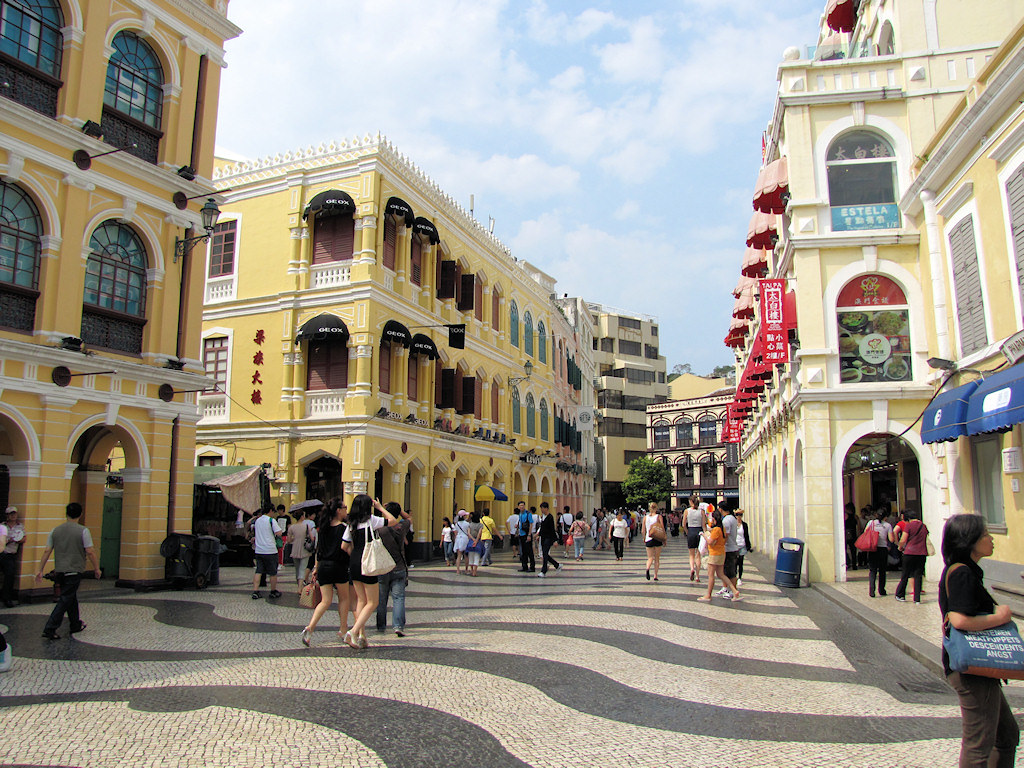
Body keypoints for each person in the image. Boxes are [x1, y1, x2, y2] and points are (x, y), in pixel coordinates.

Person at [939, 513, 1019, 767]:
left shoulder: (967, 571)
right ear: (969, 540)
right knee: (978, 747)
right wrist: (1002, 615)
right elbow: (960, 620)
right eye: (985, 534)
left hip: (979, 667)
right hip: (972, 670)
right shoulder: (962, 573)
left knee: (1006, 734)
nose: (991, 538)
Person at [35, 502, 101, 639]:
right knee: (65, 599)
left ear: (66, 514)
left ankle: (75, 624)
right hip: (74, 569)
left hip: (60, 570)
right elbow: (90, 551)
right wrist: (96, 568)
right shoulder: (83, 531)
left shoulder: (55, 530)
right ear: (80, 514)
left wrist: (40, 569)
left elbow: (47, 550)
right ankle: (50, 627)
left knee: (70, 597)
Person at [341, 495, 397, 649]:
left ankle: (362, 636)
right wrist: (380, 508)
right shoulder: (371, 520)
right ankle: (353, 632)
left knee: (361, 600)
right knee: (373, 602)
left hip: (354, 562)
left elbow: (344, 547)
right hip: (368, 563)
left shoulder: (350, 524)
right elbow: (393, 521)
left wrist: (355, 555)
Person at [301, 498, 354, 647]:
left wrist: (316, 568)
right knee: (344, 598)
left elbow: (319, 550)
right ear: (338, 510)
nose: (346, 510)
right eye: (344, 507)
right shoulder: (344, 528)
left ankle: (310, 628)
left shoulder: (323, 527)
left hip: (323, 565)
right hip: (338, 565)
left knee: (325, 601)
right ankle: (343, 629)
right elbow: (347, 547)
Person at [376, 501, 411, 636]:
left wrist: (382, 509)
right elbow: (408, 518)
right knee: (399, 598)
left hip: (383, 566)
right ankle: (398, 626)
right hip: (399, 566)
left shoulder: (380, 527)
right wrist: (399, 510)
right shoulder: (401, 526)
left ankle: (381, 625)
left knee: (381, 598)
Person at [698, 509, 741, 602]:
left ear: (714, 519)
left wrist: (704, 535)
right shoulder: (722, 528)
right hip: (721, 553)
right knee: (721, 574)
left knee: (711, 575)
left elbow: (710, 541)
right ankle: (734, 590)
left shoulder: (716, 529)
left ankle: (708, 595)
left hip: (714, 554)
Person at [894, 509, 929, 603]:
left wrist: (900, 547)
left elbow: (903, 539)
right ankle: (917, 598)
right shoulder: (923, 526)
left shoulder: (909, 526)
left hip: (909, 553)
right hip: (921, 553)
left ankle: (900, 595)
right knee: (918, 575)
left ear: (908, 518)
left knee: (905, 574)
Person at [250, 507, 283, 600]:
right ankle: (273, 591)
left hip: (259, 550)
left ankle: (255, 591)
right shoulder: (271, 520)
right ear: (270, 511)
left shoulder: (257, 521)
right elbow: (279, 532)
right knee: (273, 572)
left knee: (259, 570)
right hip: (270, 550)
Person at [865, 507, 894, 598]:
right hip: (883, 549)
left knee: (872, 570)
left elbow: (866, 533)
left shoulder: (871, 523)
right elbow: (891, 539)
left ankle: (872, 591)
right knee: (882, 570)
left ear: (876, 515)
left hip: (873, 548)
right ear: (886, 517)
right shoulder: (888, 525)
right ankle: (882, 590)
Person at [288, 506, 318, 592]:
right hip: (304, 549)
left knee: (297, 569)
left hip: (294, 549)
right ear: (302, 516)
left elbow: (289, 540)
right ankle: (300, 588)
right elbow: (312, 538)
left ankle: (299, 584)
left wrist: (295, 538)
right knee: (302, 568)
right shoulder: (306, 526)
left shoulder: (292, 527)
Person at [1, 506, 25, 607]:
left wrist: (18, 540)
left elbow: (24, 538)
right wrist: (7, 540)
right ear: (7, 516)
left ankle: (7, 598)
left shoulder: (20, 526)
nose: (13, 516)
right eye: (11, 514)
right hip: (2, 552)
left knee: (10, 575)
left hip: (11, 554)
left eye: (14, 514)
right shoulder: (2, 526)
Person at [719, 505, 739, 599]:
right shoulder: (733, 518)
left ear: (721, 509)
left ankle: (733, 591)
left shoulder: (726, 520)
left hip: (729, 548)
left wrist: (722, 545)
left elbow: (726, 535)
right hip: (733, 547)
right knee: (726, 571)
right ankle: (726, 588)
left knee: (730, 572)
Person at [642, 502, 665, 581]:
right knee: (657, 558)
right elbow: (662, 528)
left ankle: (648, 568)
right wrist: (664, 539)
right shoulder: (659, 517)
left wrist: (644, 538)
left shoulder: (645, 517)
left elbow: (643, 530)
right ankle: (655, 575)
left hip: (649, 538)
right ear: (656, 508)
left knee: (650, 558)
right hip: (657, 538)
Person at [537, 502, 560, 577]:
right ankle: (557, 565)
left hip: (548, 538)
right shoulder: (542, 517)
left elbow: (552, 530)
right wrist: (538, 535)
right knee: (545, 554)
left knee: (545, 554)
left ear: (546, 508)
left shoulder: (550, 517)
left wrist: (555, 540)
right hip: (543, 538)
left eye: (542, 508)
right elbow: (542, 528)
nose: (541, 510)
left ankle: (543, 571)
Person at [685, 495, 704, 582]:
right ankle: (697, 576)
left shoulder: (687, 511)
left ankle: (692, 568)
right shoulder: (702, 512)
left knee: (691, 555)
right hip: (699, 531)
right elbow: (704, 525)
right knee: (698, 555)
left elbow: (683, 524)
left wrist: (687, 532)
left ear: (691, 502)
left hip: (691, 530)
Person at [735, 509, 752, 585]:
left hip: (742, 544)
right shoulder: (733, 524)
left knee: (741, 562)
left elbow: (746, 535)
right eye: (737, 515)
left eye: (740, 515)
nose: (739, 516)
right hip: (735, 545)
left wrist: (749, 546)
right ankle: (734, 577)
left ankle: (739, 578)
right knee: (735, 562)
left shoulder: (744, 525)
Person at [517, 502, 535, 573]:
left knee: (529, 551)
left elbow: (531, 524)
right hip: (521, 534)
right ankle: (524, 566)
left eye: (523, 505)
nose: (522, 507)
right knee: (523, 552)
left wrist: (529, 535)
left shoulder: (528, 514)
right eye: (520, 505)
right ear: (518, 507)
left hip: (527, 535)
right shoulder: (520, 514)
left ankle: (532, 567)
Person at [465, 511, 484, 577]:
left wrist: (473, 540)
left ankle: (472, 570)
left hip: (470, 541)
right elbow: (479, 533)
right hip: (478, 542)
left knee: (471, 556)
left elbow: (468, 533)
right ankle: (475, 572)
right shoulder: (480, 525)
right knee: (476, 557)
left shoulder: (470, 524)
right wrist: (476, 541)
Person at [453, 510, 471, 575]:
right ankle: (466, 569)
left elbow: (455, 533)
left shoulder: (456, 524)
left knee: (459, 555)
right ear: (463, 516)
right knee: (466, 555)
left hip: (458, 538)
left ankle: (458, 570)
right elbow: (469, 533)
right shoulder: (467, 524)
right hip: (465, 538)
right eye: (465, 515)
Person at [843, 502, 859, 571]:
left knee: (845, 549)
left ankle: (847, 562)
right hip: (853, 534)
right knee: (853, 550)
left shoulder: (846, 515)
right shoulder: (855, 516)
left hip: (846, 534)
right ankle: (854, 564)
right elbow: (858, 526)